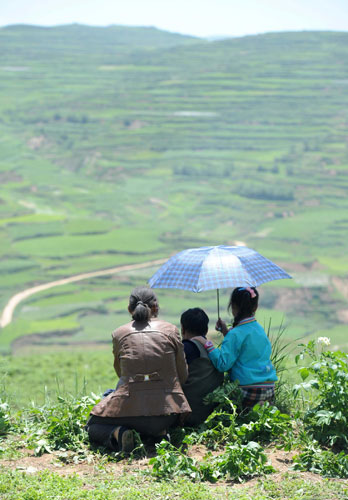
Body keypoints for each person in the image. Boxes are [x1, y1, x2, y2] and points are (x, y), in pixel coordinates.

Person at [86, 287, 191, 453]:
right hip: (169, 413)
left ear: (129, 309)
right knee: (153, 417)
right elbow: (183, 375)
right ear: (156, 308)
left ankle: (119, 433)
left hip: (131, 413)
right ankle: (158, 434)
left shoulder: (119, 334)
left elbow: (121, 374)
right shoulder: (171, 330)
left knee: (92, 425)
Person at [193, 287, 277, 409]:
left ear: (233, 306)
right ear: (256, 306)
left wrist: (207, 344)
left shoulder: (235, 334)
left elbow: (223, 364)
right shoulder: (259, 329)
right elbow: (245, 347)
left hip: (248, 391)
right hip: (269, 389)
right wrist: (226, 332)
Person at [180, 308, 224, 426]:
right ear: (206, 329)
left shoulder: (186, 347)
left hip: (189, 415)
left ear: (183, 329)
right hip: (212, 414)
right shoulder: (213, 351)